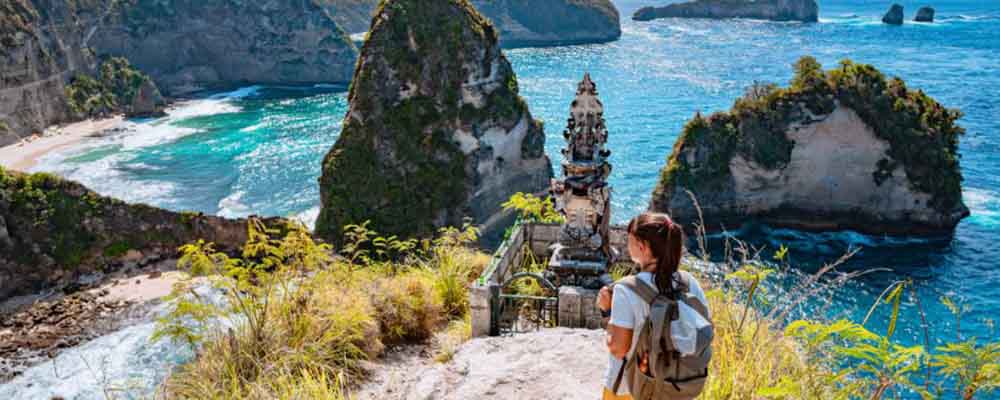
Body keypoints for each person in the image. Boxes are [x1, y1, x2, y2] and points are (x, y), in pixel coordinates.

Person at [597, 212, 711, 399]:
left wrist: (607, 312)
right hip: (676, 386)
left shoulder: (626, 289)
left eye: (630, 240)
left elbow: (619, 348)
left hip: (630, 387)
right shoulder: (689, 283)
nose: (627, 245)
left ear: (641, 247)